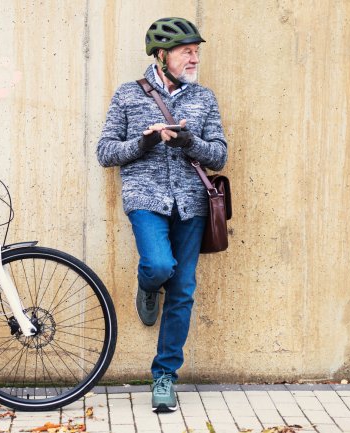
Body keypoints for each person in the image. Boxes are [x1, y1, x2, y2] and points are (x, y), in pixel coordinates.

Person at [96, 17, 228, 412]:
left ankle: (164, 375)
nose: (194, 57)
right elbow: (105, 153)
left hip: (191, 204)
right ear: (161, 54)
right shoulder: (127, 95)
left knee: (183, 290)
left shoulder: (204, 98)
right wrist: (145, 141)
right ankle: (148, 283)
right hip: (146, 199)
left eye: (196, 51)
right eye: (186, 50)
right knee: (158, 265)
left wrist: (191, 142)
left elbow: (219, 153)